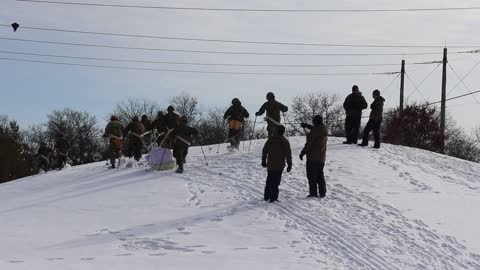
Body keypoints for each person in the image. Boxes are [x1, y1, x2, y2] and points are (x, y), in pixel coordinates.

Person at [261, 125, 292, 203]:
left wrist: (264, 160)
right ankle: (273, 198)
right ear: (283, 131)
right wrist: (289, 164)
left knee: (269, 180)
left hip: (270, 164)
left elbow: (265, 150)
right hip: (279, 165)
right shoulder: (284, 141)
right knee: (276, 182)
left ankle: (266, 196)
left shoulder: (271, 139)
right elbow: (288, 154)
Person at [299, 115, 328, 198]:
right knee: (320, 175)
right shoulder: (324, 129)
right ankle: (322, 192)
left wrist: (303, 152)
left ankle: (313, 193)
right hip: (321, 158)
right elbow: (316, 130)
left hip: (312, 158)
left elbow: (309, 143)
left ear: (315, 122)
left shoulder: (314, 131)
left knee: (311, 176)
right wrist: (307, 126)